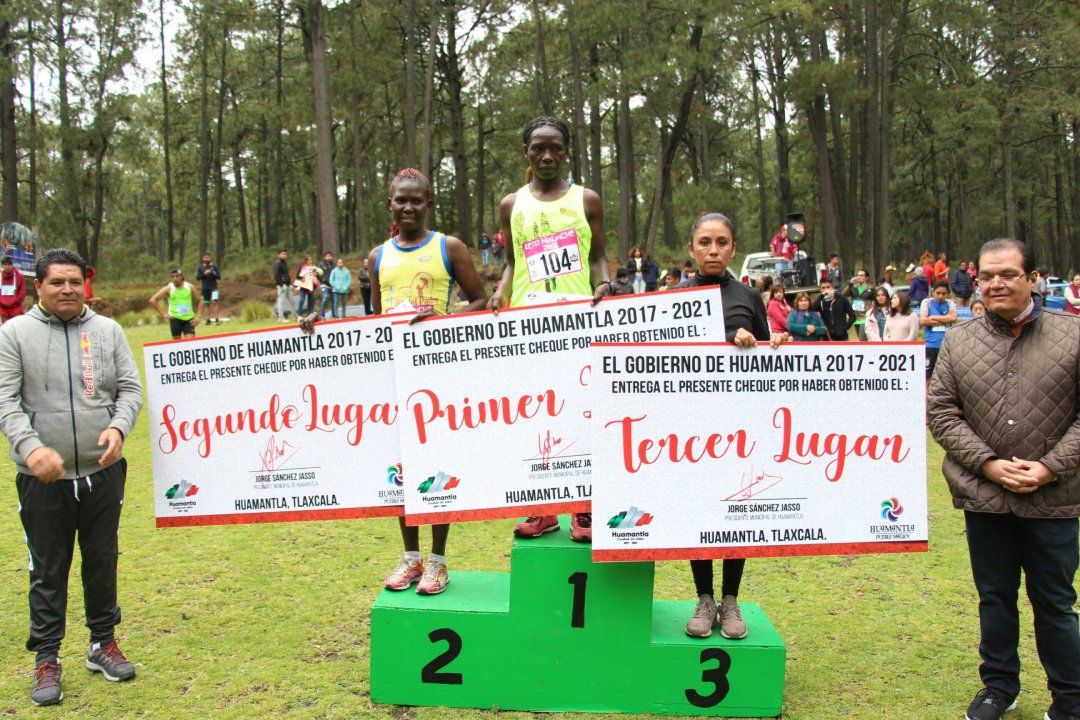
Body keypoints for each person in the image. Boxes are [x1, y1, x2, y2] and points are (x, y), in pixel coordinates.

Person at [303, 167, 486, 596]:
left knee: (436, 470)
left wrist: (443, 318)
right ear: (389, 205)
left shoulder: (449, 247)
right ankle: (411, 557)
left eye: (416, 200)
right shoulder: (377, 256)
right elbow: (374, 322)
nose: (408, 207)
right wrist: (321, 324)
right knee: (400, 470)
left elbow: (480, 299)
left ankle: (438, 561)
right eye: (400, 200)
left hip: (439, 376)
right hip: (393, 377)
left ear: (428, 204)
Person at [929, 238, 1080, 720]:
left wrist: (1050, 467)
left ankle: (1071, 699)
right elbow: (942, 412)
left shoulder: (1073, 334)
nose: (996, 283)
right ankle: (999, 687)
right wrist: (988, 464)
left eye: (1008, 274)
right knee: (995, 599)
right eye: (987, 276)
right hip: (986, 497)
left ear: (1033, 279)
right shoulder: (959, 340)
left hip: (1054, 498)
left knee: (1054, 602)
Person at [0, 248, 143, 707]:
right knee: (48, 567)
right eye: (57, 282)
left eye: (75, 282)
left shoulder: (108, 331)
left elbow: (130, 389)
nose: (67, 289)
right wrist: (31, 447)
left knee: (102, 558)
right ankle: (47, 658)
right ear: (38, 286)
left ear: (86, 285)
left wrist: (118, 427)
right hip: (43, 479)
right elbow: (5, 400)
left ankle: (103, 643)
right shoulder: (14, 334)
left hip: (103, 472)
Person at [487, 116, 610, 544]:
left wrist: (604, 282)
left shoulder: (586, 199)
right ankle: (542, 508)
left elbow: (598, 257)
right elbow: (511, 262)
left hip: (577, 324)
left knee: (581, 414)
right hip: (528, 325)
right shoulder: (511, 204)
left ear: (566, 151)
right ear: (526, 152)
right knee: (536, 416)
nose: (546, 155)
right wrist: (500, 292)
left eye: (555, 147)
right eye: (538, 147)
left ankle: (583, 507)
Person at [677, 212, 788, 641]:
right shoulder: (672, 300)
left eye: (721, 242)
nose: (713, 250)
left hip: (739, 428)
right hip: (689, 428)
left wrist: (767, 343)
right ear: (691, 248)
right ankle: (704, 598)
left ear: (733, 249)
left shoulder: (748, 296)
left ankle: (731, 599)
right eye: (704, 242)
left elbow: (765, 355)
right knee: (699, 510)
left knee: (737, 509)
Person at [920, 280, 957, 381]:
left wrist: (933, 317)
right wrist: (945, 319)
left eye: (944, 293)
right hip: (930, 345)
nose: (940, 296)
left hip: (946, 346)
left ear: (948, 294)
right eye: (938, 293)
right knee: (928, 376)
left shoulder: (950, 303)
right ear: (933, 292)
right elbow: (923, 320)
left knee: (946, 377)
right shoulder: (926, 302)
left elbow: (953, 318)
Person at [149, 269, 201, 340]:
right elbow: (152, 300)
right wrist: (163, 314)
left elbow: (200, 300)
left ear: (182, 277)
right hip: (175, 319)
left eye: (177, 276)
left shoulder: (189, 287)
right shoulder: (169, 288)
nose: (175, 278)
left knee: (190, 343)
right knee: (177, 344)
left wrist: (198, 316)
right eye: (172, 277)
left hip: (188, 319)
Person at [811, 276, 855, 341]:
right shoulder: (821, 301)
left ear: (832, 287)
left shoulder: (842, 299)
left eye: (828, 287)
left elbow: (852, 316)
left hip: (842, 337)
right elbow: (813, 308)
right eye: (823, 288)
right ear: (820, 289)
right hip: (827, 337)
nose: (826, 290)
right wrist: (821, 295)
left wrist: (844, 329)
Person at [845, 269, 874, 341]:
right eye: (858, 275)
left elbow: (874, 302)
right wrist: (849, 284)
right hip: (856, 318)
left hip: (865, 318)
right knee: (862, 340)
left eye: (861, 275)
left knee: (862, 340)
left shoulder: (871, 289)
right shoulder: (853, 288)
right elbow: (844, 295)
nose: (859, 277)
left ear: (866, 278)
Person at [0, 255, 28, 324]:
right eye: (5, 265)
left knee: (17, 327)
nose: (7, 267)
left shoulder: (19, 276)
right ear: (2, 266)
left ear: (12, 265)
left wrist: (16, 301)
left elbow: (22, 291)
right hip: (3, 309)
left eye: (9, 265)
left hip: (16, 309)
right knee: (4, 328)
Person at [195, 253, 221, 325]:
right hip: (205, 288)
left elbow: (219, 277)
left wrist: (211, 273)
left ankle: (216, 319)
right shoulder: (200, 267)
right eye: (205, 257)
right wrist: (204, 274)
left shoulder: (214, 267)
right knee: (206, 303)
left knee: (215, 302)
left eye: (207, 257)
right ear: (202, 259)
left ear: (210, 258)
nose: (206, 259)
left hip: (214, 287)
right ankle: (208, 320)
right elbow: (198, 278)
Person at [273, 249, 295, 322]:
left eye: (285, 254)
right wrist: (281, 284)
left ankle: (295, 316)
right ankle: (281, 318)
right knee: (281, 301)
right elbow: (276, 275)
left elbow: (286, 275)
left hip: (287, 285)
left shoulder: (284, 263)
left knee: (292, 301)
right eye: (282, 254)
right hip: (282, 285)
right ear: (279, 255)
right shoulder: (277, 263)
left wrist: (290, 284)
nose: (284, 255)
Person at [317, 251, 335, 316]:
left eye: (330, 256)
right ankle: (322, 315)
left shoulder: (333, 265)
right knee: (325, 297)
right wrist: (322, 280)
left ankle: (334, 314)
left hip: (332, 285)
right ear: (324, 257)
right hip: (324, 284)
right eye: (327, 256)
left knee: (333, 300)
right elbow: (317, 274)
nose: (329, 257)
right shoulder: (321, 264)